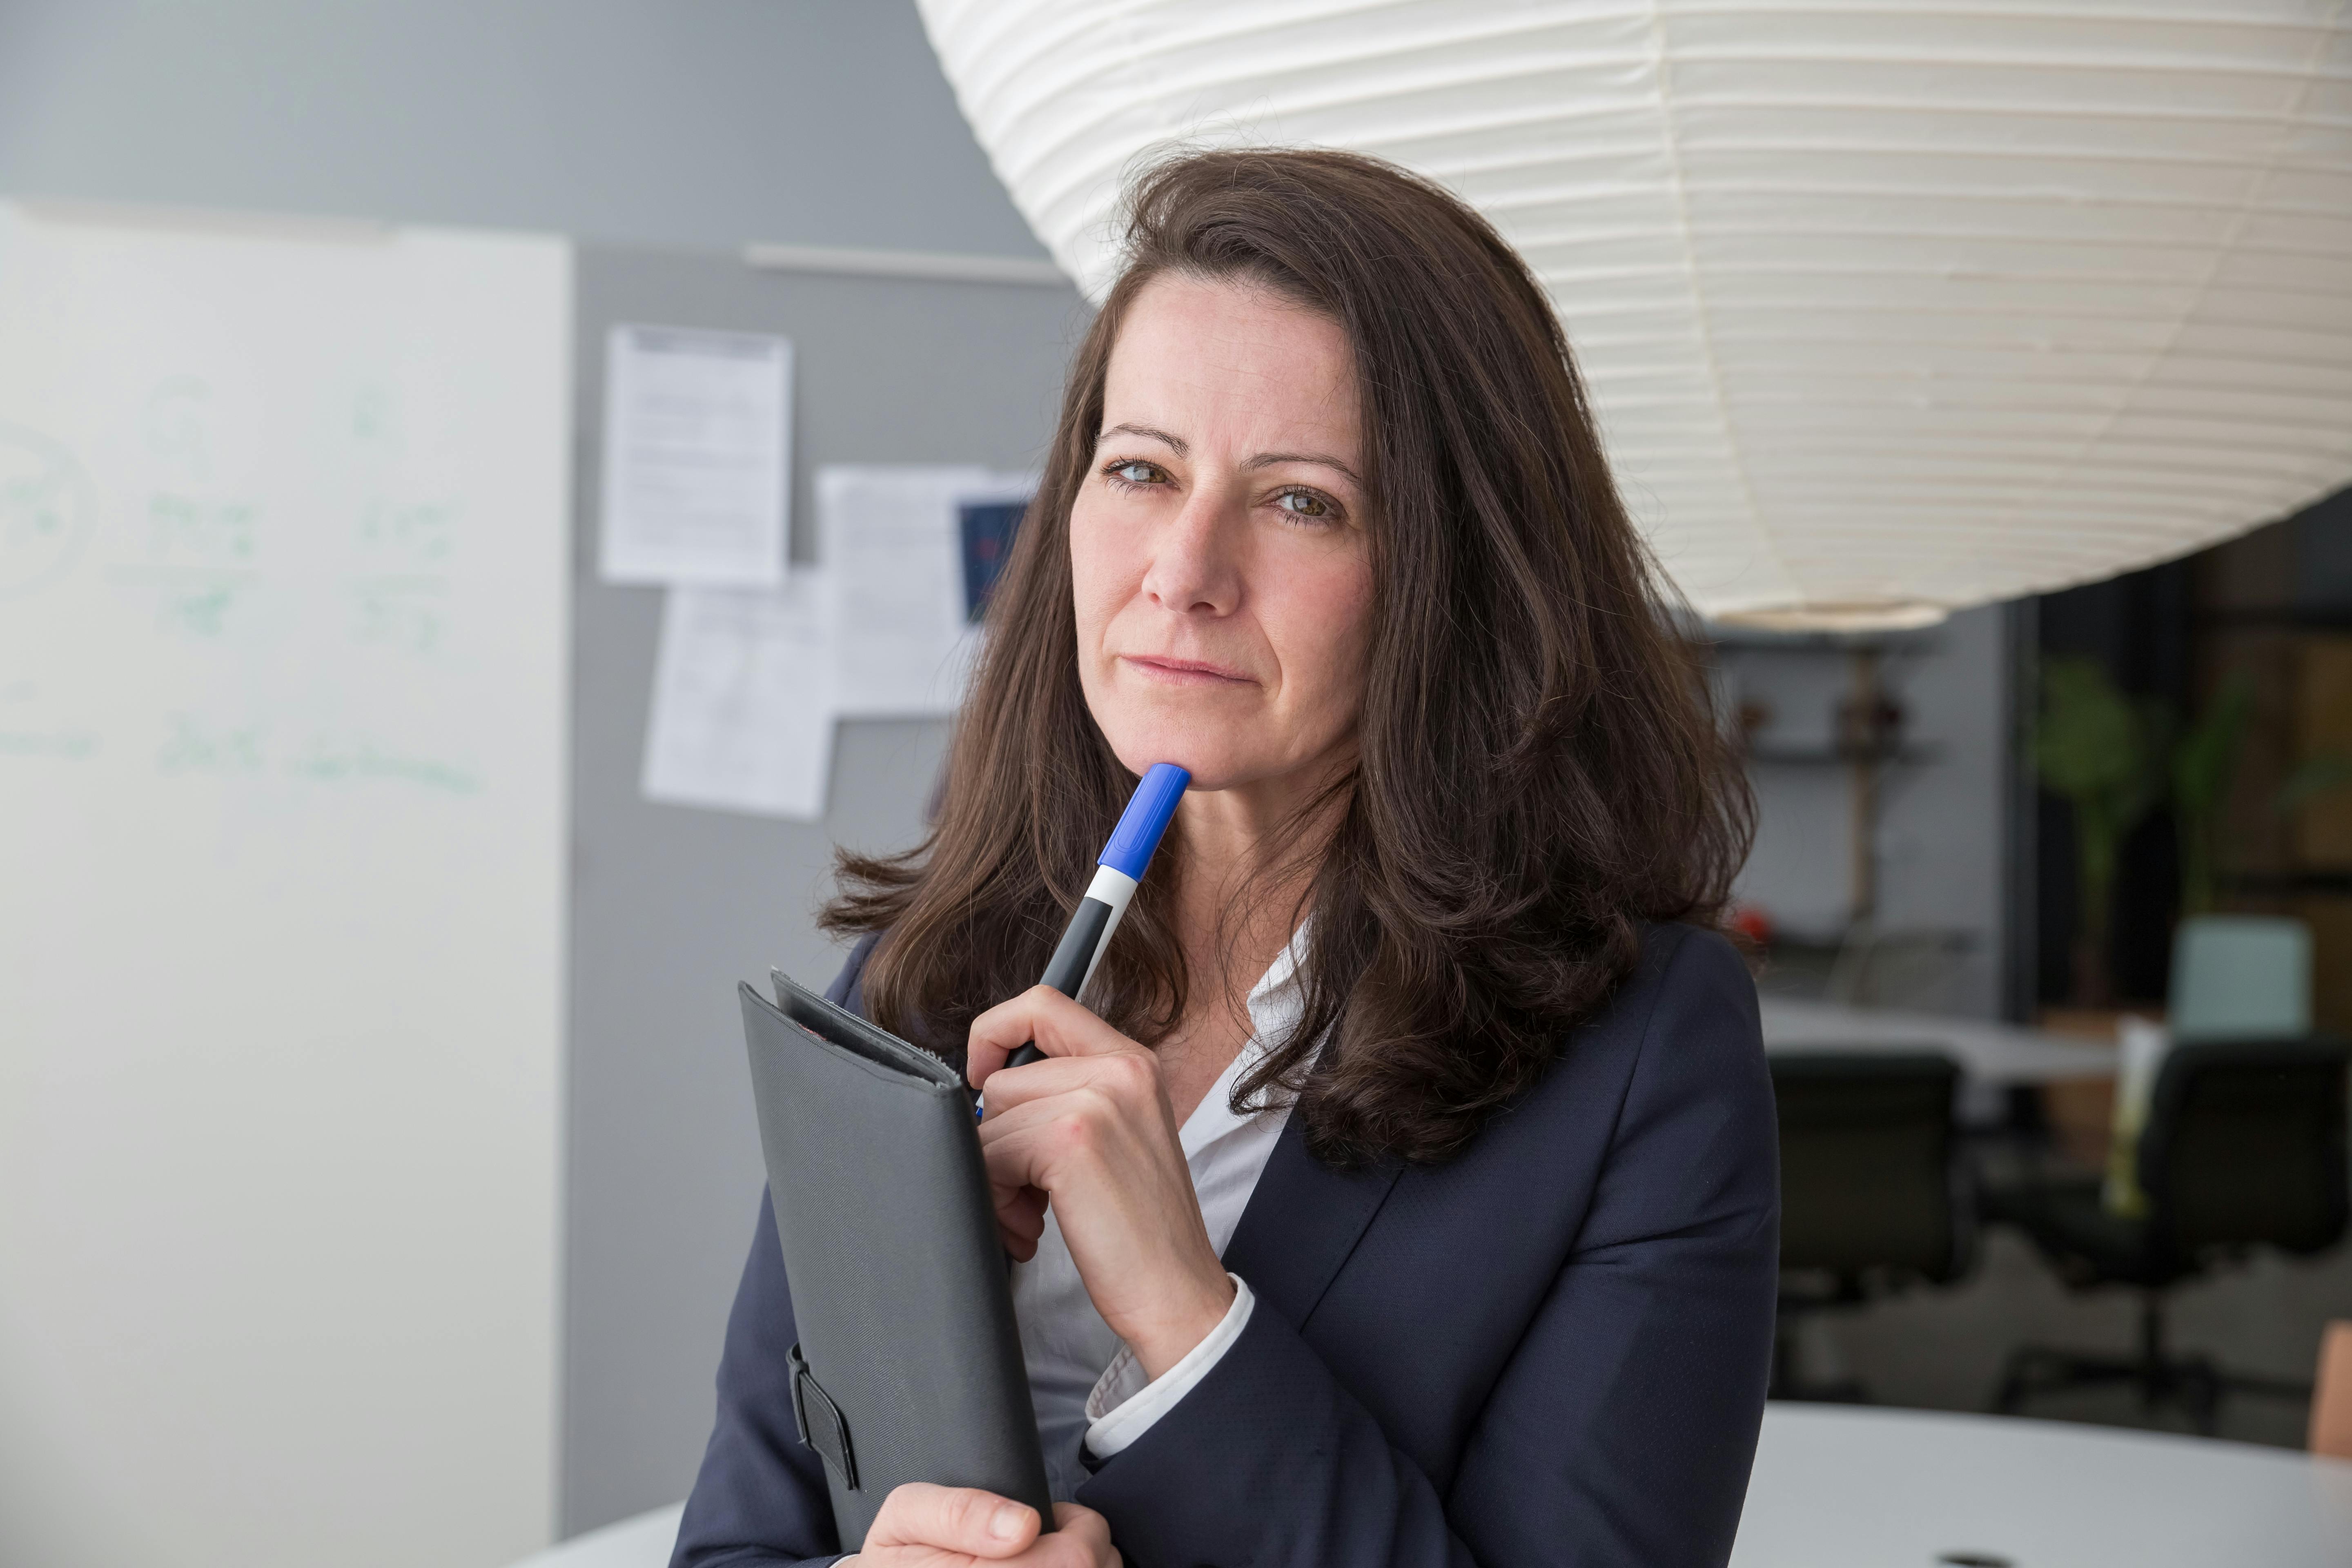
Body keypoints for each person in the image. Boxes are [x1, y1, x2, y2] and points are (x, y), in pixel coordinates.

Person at [673, 147, 1775, 1568]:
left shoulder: (1644, 1060)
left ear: (1465, 578)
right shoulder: (919, 973)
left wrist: (1191, 1325)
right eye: (1140, 470)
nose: (1182, 570)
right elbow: (740, 1542)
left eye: (1300, 499)